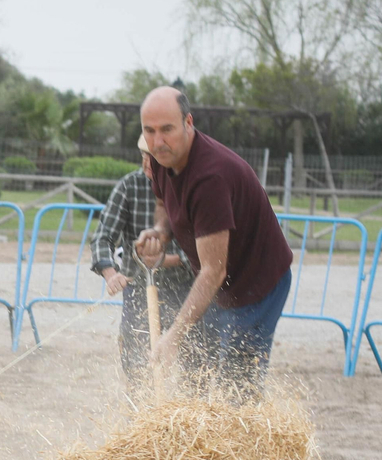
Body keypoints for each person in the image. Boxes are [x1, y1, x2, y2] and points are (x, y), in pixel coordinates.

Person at [135, 86, 293, 393]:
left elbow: (213, 270)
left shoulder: (210, 177)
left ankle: (246, 435)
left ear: (188, 122)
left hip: (257, 284)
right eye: (149, 131)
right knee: (201, 370)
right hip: (220, 284)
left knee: (237, 385)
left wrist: (173, 335)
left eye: (167, 129)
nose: (158, 141)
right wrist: (160, 232)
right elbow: (163, 203)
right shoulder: (159, 158)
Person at [90, 135, 196, 387]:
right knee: (135, 358)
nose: (148, 164)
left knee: (192, 360)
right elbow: (102, 238)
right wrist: (111, 273)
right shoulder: (129, 186)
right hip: (137, 287)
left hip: (184, 289)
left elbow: (203, 252)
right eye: (144, 157)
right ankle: (141, 414)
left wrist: (163, 260)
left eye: (155, 158)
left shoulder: (190, 187)